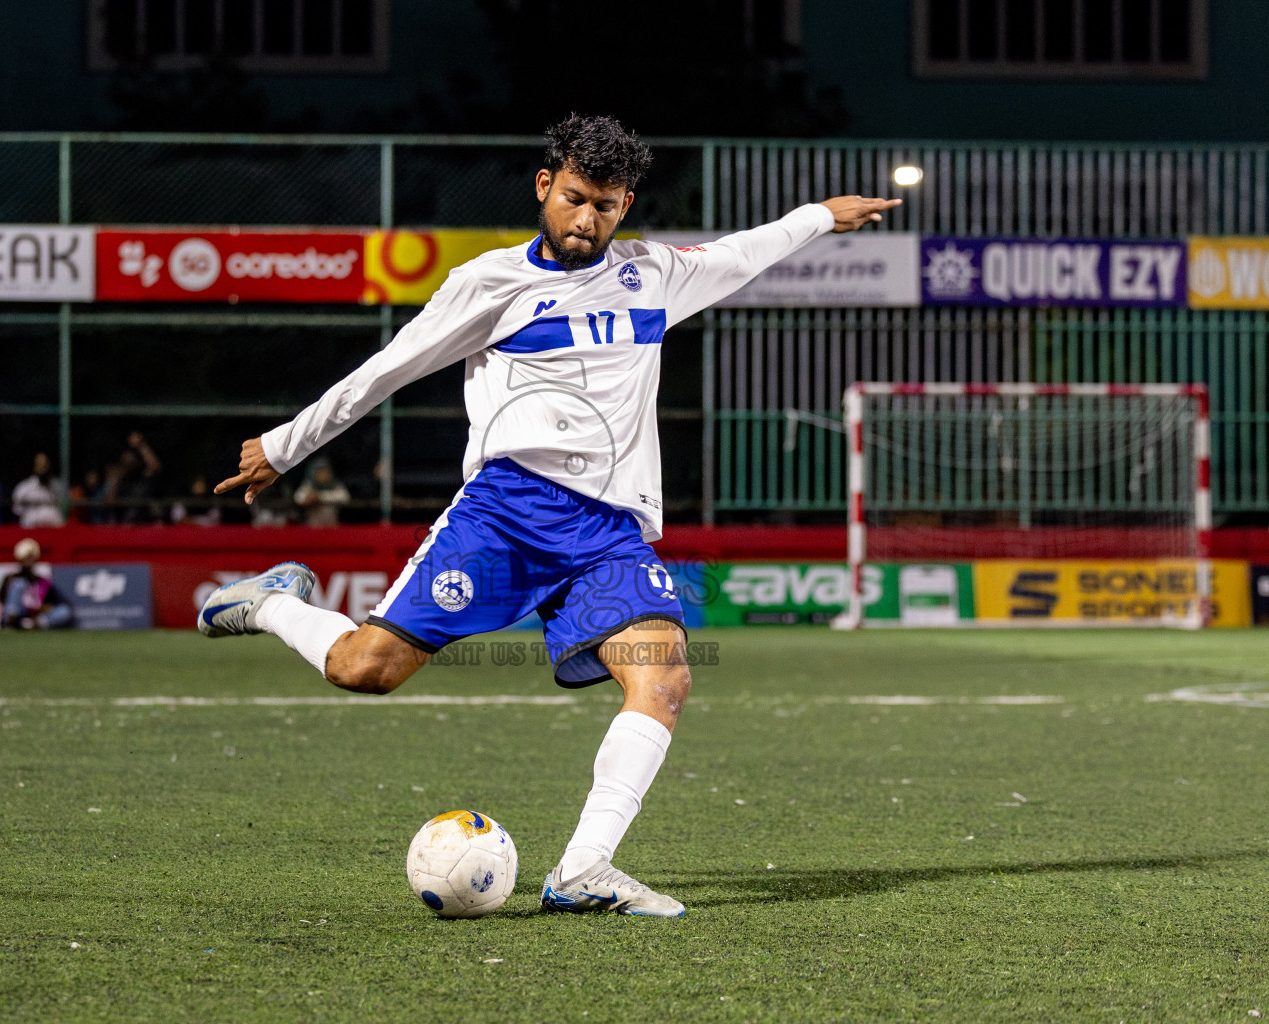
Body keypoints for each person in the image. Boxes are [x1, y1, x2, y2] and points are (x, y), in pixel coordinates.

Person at [199, 114, 900, 917]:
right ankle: (268, 602)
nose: (586, 220)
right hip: (505, 514)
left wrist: (819, 217)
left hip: (606, 534)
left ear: (625, 204)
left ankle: (582, 870)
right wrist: (287, 445)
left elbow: (745, 250)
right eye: (573, 199)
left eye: (605, 206)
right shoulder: (489, 283)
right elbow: (387, 369)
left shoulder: (654, 275)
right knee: (367, 669)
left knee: (665, 674)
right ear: (544, 187)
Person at [0, 538, 75, 630]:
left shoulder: (42, 581)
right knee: (19, 584)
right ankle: (10, 623)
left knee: (65, 611)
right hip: (19, 613)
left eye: (31, 558)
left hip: (37, 616)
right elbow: (3, 599)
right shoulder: (12, 578)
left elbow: (58, 601)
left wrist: (45, 607)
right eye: (25, 558)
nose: (28, 561)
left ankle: (33, 625)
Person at [11, 452, 66, 528]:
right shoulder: (23, 487)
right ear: (34, 466)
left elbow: (65, 508)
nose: (42, 467)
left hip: (54, 528)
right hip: (31, 528)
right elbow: (17, 510)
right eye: (39, 464)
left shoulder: (58, 485)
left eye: (45, 465)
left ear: (49, 465)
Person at [293, 457, 351, 527]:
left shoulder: (335, 484)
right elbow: (298, 497)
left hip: (332, 527)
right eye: (320, 472)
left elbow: (345, 497)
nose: (322, 475)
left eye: (325, 472)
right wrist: (308, 499)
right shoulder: (309, 485)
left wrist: (320, 497)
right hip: (313, 527)